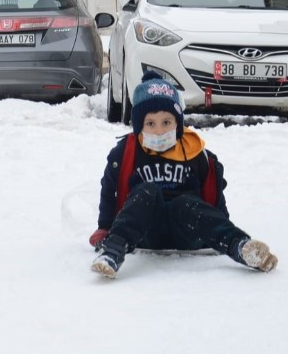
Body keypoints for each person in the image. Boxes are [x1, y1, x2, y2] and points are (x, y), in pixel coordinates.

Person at [88, 72, 278, 279]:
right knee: (147, 191)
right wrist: (104, 227)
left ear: (178, 124)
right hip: (145, 231)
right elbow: (109, 190)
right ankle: (113, 252)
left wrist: (220, 224)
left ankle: (241, 246)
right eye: (150, 124)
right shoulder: (125, 153)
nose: (159, 131)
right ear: (138, 126)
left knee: (185, 202)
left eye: (167, 122)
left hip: (188, 230)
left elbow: (214, 195)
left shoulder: (197, 153)